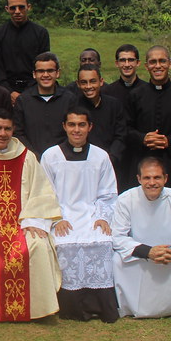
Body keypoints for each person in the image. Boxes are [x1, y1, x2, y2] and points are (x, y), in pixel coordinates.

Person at [0, 110, 62, 321]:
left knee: (38, 243)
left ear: (13, 130)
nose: (2, 133)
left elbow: (41, 193)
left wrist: (33, 221)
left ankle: (37, 308)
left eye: (7, 129)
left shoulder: (27, 157)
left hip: (22, 222)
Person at [40, 106, 118, 323]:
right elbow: (45, 193)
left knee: (102, 240)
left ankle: (100, 307)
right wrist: (57, 219)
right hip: (63, 215)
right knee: (65, 243)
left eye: (81, 125)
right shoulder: (51, 155)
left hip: (91, 214)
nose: (77, 130)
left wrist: (103, 216)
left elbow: (109, 192)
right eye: (72, 124)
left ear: (90, 127)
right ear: (64, 126)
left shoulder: (100, 156)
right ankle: (70, 308)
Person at [112, 157, 171, 319]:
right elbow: (117, 237)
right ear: (139, 179)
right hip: (140, 256)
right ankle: (133, 306)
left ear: (165, 178)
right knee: (117, 261)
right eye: (147, 178)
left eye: (157, 177)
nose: (152, 182)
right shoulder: (125, 200)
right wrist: (148, 252)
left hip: (168, 256)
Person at [126, 45, 171, 205]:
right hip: (143, 160)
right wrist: (143, 138)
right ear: (146, 66)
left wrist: (169, 141)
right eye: (153, 62)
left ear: (170, 64)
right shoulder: (135, 96)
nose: (158, 66)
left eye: (162, 61)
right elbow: (126, 129)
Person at [0, 0, 50, 104]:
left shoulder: (40, 33)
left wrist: (28, 91)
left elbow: (44, 65)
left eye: (21, 7)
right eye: (13, 8)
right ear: (7, 9)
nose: (17, 11)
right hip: (6, 90)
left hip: (34, 88)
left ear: (28, 7)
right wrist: (9, 91)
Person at [12, 52, 77, 155]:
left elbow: (74, 129)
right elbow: (18, 133)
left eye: (50, 71)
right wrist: (33, 155)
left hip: (63, 158)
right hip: (31, 160)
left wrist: (59, 154)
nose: (45, 75)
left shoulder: (69, 99)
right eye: (41, 71)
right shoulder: (23, 100)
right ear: (34, 74)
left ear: (58, 73)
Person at [75, 65, 127, 181]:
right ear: (78, 84)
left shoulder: (114, 105)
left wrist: (110, 158)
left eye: (93, 81)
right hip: (83, 166)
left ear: (101, 82)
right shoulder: (74, 107)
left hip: (112, 165)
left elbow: (121, 135)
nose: (88, 86)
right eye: (84, 82)